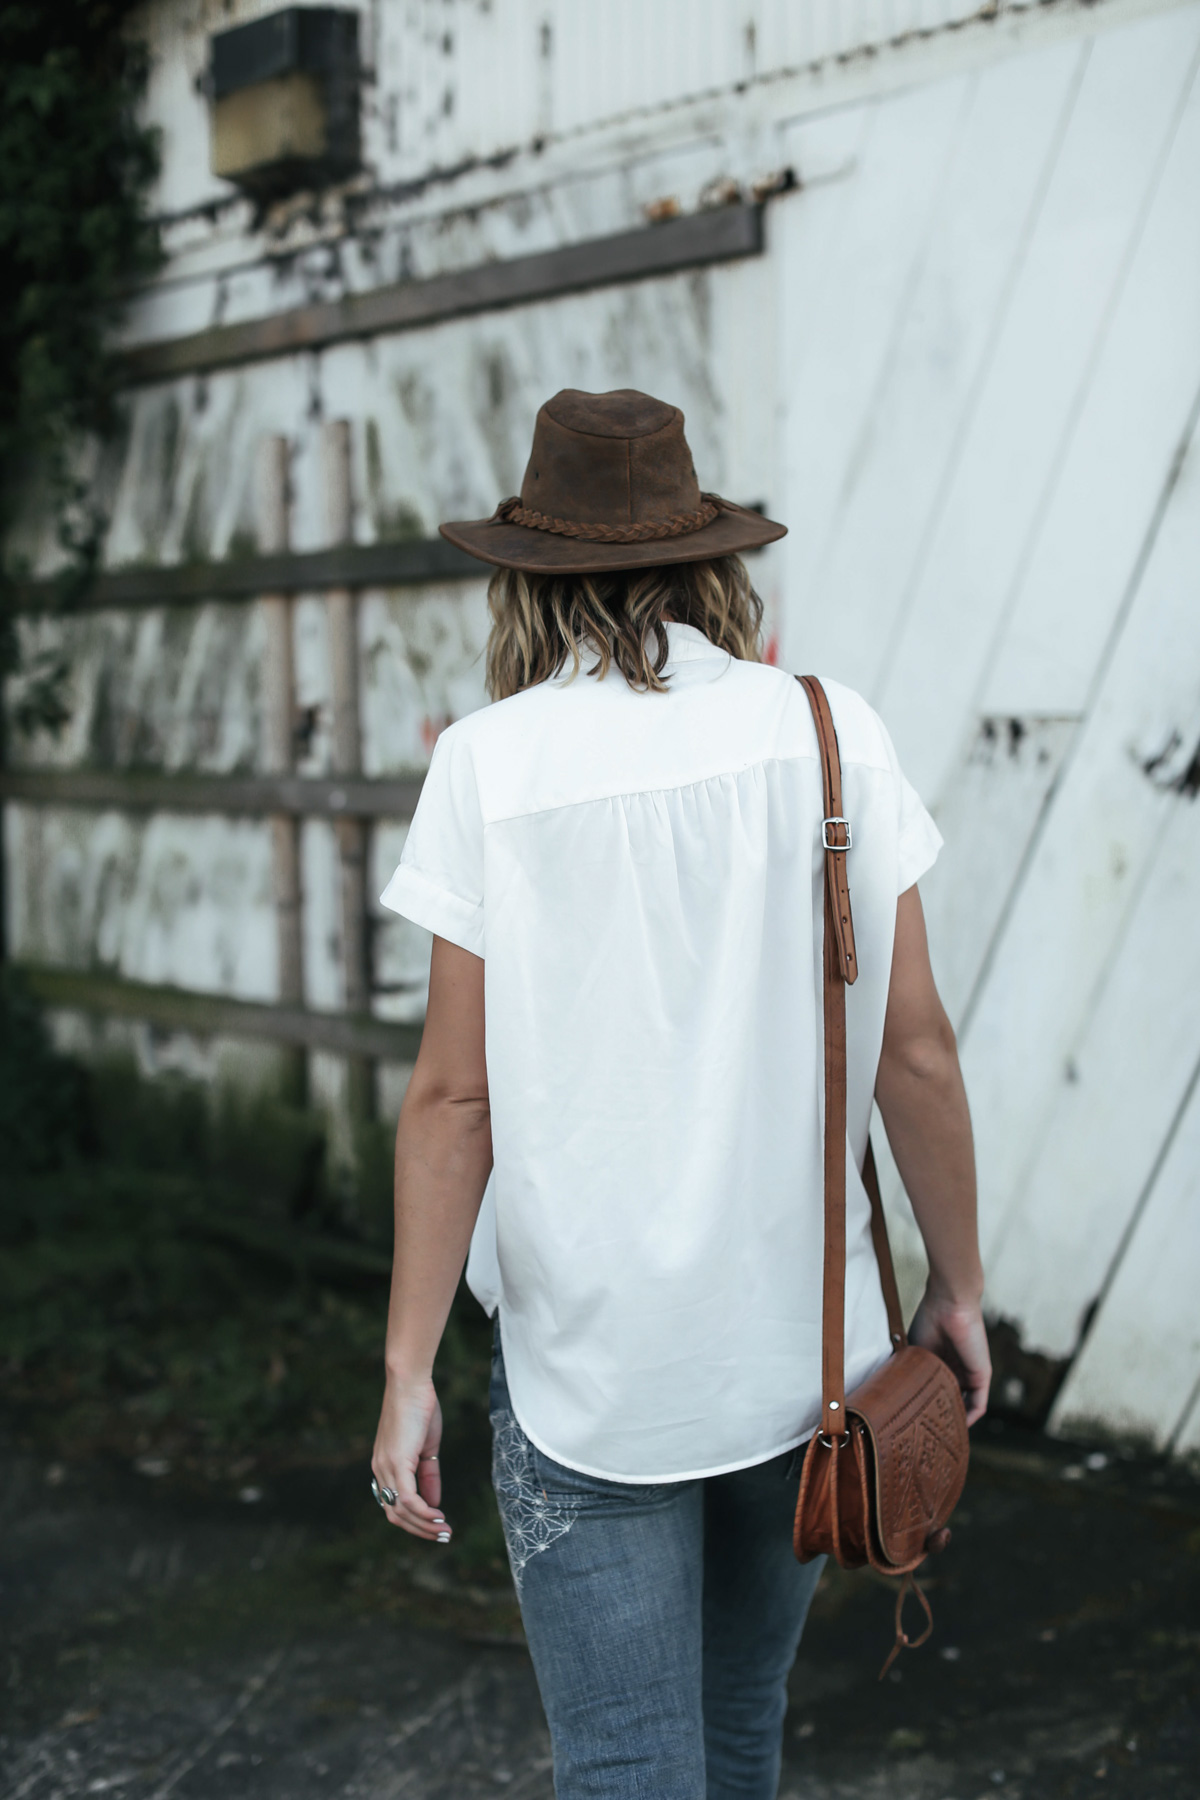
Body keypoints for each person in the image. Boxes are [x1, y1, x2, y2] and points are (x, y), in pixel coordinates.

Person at [371, 388, 990, 1800]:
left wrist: (406, 1375)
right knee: (737, 1730)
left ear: (529, 575)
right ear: (712, 559)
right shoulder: (832, 731)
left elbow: (453, 1103)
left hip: (589, 1380)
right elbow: (917, 1055)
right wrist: (954, 1291)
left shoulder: (487, 767)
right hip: (803, 1365)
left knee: (630, 1763)